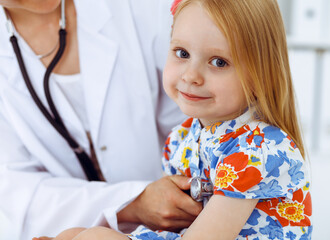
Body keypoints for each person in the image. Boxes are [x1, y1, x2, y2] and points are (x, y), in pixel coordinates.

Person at [45, 0, 313, 239]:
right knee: (73, 234)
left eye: (219, 62)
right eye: (182, 53)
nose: (190, 75)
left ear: (260, 74)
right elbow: (173, 226)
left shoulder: (259, 147)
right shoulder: (183, 137)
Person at [0, 0, 204, 239]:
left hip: (193, 207)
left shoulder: (142, 8)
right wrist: (134, 204)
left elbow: (206, 110)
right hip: (71, 229)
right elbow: (15, 194)